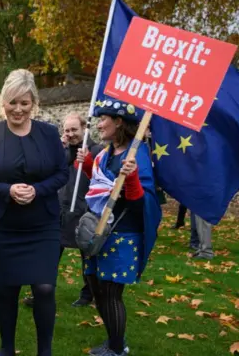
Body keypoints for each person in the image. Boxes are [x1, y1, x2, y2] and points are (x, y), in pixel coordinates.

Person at [0, 69, 69, 356]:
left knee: (44, 288)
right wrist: (8, 190)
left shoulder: (49, 133)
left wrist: (37, 190)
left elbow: (61, 172)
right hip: (5, 226)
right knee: (8, 289)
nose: (18, 109)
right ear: (3, 102)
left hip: (43, 225)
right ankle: (7, 348)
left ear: (34, 104)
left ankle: (45, 351)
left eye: (24, 103)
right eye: (12, 102)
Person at [75, 99, 161, 356]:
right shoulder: (106, 152)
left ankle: (116, 348)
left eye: (104, 119)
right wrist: (89, 165)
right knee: (95, 286)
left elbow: (140, 204)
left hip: (123, 234)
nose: (99, 124)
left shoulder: (138, 154)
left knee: (111, 293)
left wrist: (132, 177)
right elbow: (104, 186)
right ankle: (115, 340)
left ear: (119, 122)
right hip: (100, 230)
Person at [23, 112, 100, 308]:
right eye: (67, 130)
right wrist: (57, 148)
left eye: (74, 129)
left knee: (88, 257)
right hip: (58, 211)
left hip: (85, 212)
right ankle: (41, 293)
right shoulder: (61, 150)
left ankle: (88, 294)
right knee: (48, 256)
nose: (70, 134)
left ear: (84, 129)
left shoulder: (97, 150)